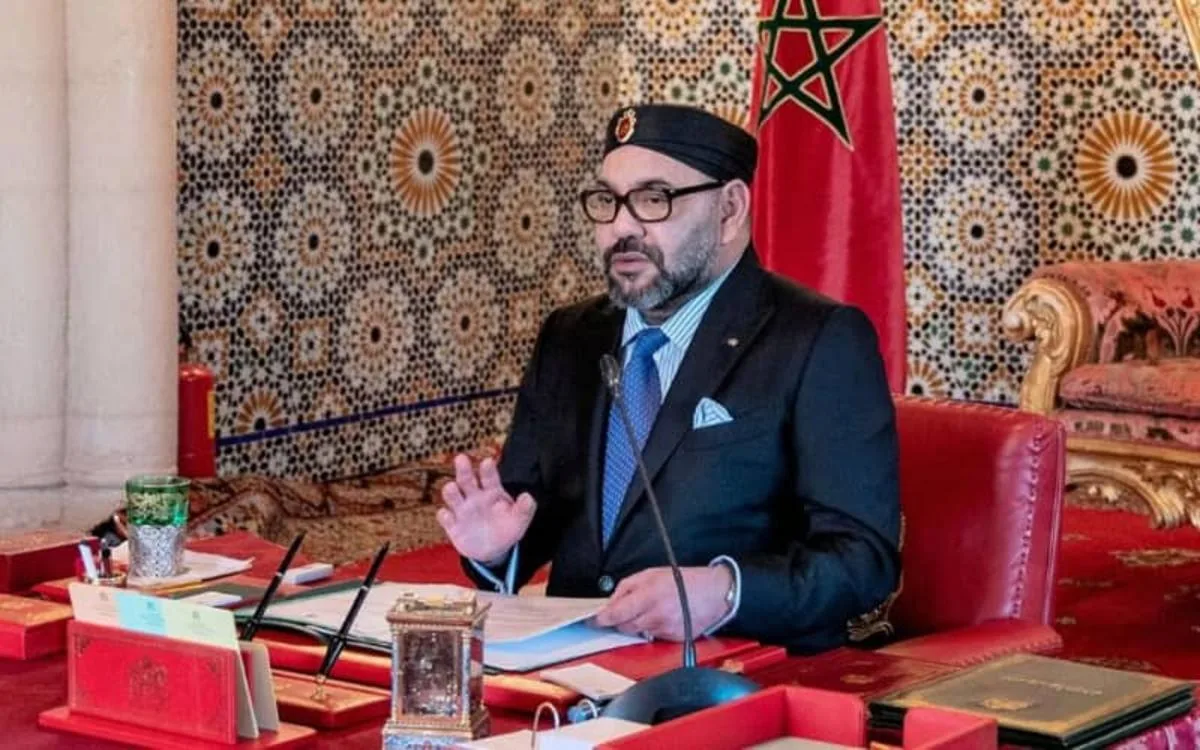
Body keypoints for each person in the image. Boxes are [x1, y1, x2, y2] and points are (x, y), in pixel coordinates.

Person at [437, 103, 901, 654]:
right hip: (569, 666)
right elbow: (527, 519)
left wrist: (727, 592)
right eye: (608, 201)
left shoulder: (817, 340)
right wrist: (495, 551)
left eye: (654, 199)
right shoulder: (570, 338)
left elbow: (863, 561)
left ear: (729, 209)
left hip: (733, 671)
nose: (621, 228)